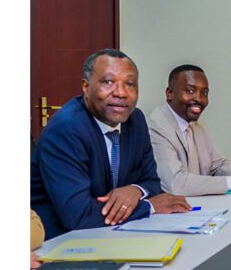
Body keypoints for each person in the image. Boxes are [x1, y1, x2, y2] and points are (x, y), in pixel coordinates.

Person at [31, 49, 192, 240]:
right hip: (58, 241)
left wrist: (135, 190)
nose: (121, 93)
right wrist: (149, 206)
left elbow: (152, 182)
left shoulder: (136, 120)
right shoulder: (66, 128)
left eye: (129, 84)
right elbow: (79, 216)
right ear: (86, 87)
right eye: (108, 82)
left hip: (110, 232)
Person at [148, 64, 231, 196]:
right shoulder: (156, 126)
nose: (199, 98)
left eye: (204, 93)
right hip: (170, 207)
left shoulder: (196, 126)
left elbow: (217, 165)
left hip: (198, 205)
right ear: (170, 93)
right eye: (190, 90)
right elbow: (176, 184)